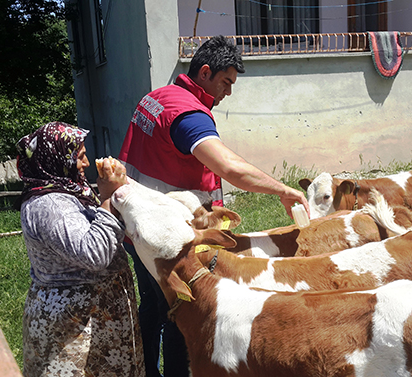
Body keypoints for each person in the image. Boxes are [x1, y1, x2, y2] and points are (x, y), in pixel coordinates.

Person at [117, 35, 310, 377]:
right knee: (182, 312)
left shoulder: (157, 97)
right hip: (167, 238)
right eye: (226, 82)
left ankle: (146, 370)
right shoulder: (189, 115)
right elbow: (230, 168)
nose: (228, 92)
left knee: (152, 307)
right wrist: (282, 189)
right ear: (205, 73)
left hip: (138, 229)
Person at [17, 122, 144, 377]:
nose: (86, 163)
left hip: (97, 321)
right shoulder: (49, 205)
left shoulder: (70, 191)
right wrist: (108, 198)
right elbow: (94, 254)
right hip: (73, 328)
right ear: (57, 159)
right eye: (80, 157)